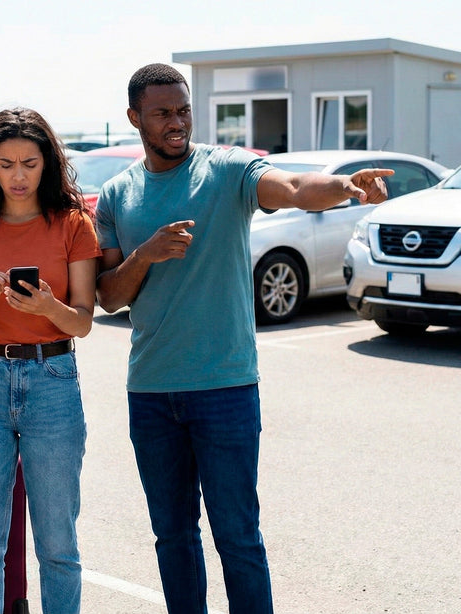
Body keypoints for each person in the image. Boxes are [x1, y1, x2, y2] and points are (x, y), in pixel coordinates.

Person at [94, 63, 392, 614]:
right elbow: (108, 296)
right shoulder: (115, 195)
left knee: (238, 539)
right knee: (174, 541)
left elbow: (296, 188)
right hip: (152, 393)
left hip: (225, 389)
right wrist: (147, 254)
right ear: (135, 118)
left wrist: (346, 187)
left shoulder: (228, 169)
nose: (176, 122)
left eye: (183, 110)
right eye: (162, 113)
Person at [0, 107, 100, 614]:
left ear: (46, 164)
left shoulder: (73, 224)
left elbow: (82, 321)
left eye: (29, 163)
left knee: (58, 545)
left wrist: (47, 306)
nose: (18, 175)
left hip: (53, 380)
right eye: (6, 163)